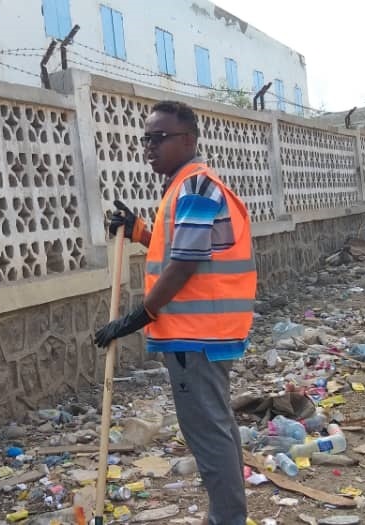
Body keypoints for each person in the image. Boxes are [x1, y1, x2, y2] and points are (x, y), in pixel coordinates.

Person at [93, 100, 255, 525]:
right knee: (216, 428)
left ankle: (227, 520)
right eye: (146, 138)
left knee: (207, 432)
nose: (149, 147)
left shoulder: (196, 186)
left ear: (188, 140)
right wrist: (140, 231)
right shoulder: (185, 186)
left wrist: (135, 318)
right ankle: (225, 516)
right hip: (204, 332)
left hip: (197, 334)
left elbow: (184, 263)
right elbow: (180, 248)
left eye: (159, 138)